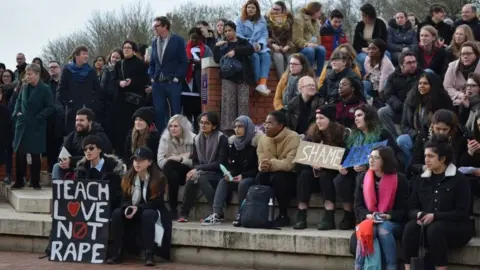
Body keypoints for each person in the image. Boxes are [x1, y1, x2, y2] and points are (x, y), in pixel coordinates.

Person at [402, 134, 473, 270]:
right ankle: (409, 268)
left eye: (431, 156)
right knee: (410, 228)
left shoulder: (459, 179)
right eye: (425, 156)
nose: (426, 160)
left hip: (456, 227)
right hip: (427, 226)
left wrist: (435, 216)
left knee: (436, 229)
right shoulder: (421, 179)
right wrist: (419, 215)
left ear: (443, 158)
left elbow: (462, 213)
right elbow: (410, 207)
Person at [107, 147, 171, 266]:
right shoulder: (128, 177)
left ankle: (149, 253)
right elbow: (125, 199)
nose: (137, 163)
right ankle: (117, 252)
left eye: (141, 160)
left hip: (154, 209)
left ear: (149, 162)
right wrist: (127, 208)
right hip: (134, 208)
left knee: (147, 215)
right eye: (135, 160)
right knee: (117, 214)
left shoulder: (159, 178)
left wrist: (139, 208)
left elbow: (157, 202)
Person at [353, 146, 408, 270]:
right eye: (370, 157)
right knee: (367, 228)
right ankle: (358, 267)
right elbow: (358, 206)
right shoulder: (362, 178)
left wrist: (388, 216)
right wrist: (368, 215)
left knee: (383, 229)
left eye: (376, 158)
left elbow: (404, 210)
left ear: (386, 160)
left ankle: (391, 267)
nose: (371, 161)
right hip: (369, 220)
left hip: (392, 221)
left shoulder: (400, 179)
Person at [293, 105, 347, 230]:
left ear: (330, 119)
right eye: (317, 118)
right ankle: (301, 214)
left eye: (322, 118)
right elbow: (301, 159)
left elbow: (343, 157)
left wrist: (326, 165)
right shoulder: (311, 135)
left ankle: (329, 216)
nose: (318, 121)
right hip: (312, 175)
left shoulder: (340, 135)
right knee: (304, 175)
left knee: (325, 175)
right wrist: (312, 164)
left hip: (330, 176)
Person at [201, 115, 260, 226]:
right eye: (235, 127)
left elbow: (257, 168)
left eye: (240, 126)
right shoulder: (233, 143)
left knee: (243, 183)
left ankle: (242, 213)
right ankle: (216, 214)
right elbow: (233, 166)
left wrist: (243, 175)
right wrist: (230, 174)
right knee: (224, 181)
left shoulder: (256, 143)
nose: (237, 129)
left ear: (248, 127)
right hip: (237, 176)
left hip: (252, 177)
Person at [178, 112, 229, 222]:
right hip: (203, 172)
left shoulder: (222, 139)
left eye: (207, 123)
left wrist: (198, 169)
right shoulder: (196, 139)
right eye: (201, 123)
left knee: (200, 177)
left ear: (214, 126)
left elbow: (220, 163)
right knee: (192, 179)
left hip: (218, 173)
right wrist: (197, 169)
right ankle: (183, 214)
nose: (203, 125)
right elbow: (195, 161)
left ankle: (217, 213)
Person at [397, 73, 454, 169]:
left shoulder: (442, 100)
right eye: (420, 83)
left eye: (425, 84)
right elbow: (404, 124)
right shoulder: (411, 99)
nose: (421, 86)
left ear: (433, 85)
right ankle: (410, 167)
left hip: (434, 136)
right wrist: (416, 134)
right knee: (401, 140)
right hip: (416, 135)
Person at [12, 64, 54, 189]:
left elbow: (51, 107)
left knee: (35, 154)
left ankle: (35, 182)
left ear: (37, 75)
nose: (27, 76)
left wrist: (39, 117)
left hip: (36, 126)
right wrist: (17, 113)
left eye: (29, 74)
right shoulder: (24, 87)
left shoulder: (45, 89)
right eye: (26, 73)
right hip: (22, 124)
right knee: (20, 154)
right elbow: (18, 102)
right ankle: (19, 181)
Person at [256, 110, 301, 227]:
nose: (265, 126)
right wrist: (262, 165)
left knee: (279, 177)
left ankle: (283, 215)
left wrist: (270, 164)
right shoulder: (262, 139)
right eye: (265, 123)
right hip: (270, 173)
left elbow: (289, 164)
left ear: (280, 126)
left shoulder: (293, 137)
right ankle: (260, 214)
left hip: (290, 176)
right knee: (260, 176)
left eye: (269, 123)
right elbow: (261, 158)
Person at [213, 21, 255, 132]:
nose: (227, 33)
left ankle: (243, 129)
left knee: (243, 104)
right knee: (228, 104)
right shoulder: (223, 43)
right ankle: (228, 130)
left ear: (235, 30)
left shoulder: (242, 41)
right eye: (226, 31)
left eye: (230, 30)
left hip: (243, 77)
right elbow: (217, 59)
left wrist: (235, 51)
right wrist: (216, 47)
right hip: (228, 78)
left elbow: (251, 50)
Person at [149, 16, 188, 132]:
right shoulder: (154, 42)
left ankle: (177, 137)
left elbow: (184, 61)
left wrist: (177, 77)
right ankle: (163, 136)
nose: (154, 29)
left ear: (165, 26)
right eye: (153, 27)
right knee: (159, 111)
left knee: (175, 112)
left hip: (173, 82)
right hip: (157, 83)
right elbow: (152, 62)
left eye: (156, 26)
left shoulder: (178, 40)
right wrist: (151, 76)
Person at [56, 46, 106, 134]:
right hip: (72, 111)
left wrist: (92, 102)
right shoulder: (67, 70)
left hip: (88, 110)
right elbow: (61, 89)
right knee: (72, 137)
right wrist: (70, 102)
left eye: (87, 54)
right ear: (76, 55)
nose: (86, 56)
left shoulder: (91, 71)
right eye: (84, 54)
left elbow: (98, 90)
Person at [52, 108, 112, 180]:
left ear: (90, 122)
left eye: (81, 120)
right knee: (57, 166)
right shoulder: (72, 135)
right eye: (76, 120)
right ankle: (59, 190)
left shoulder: (99, 136)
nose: (78, 123)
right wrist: (63, 161)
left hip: (89, 167)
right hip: (72, 166)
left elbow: (101, 156)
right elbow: (62, 150)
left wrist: (71, 160)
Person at [157, 114, 196, 219]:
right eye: (170, 126)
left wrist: (180, 159)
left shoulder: (194, 139)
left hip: (187, 171)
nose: (172, 129)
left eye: (176, 126)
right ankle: (173, 209)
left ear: (183, 127)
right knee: (172, 174)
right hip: (171, 172)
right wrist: (179, 157)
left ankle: (169, 208)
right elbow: (160, 161)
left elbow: (196, 162)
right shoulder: (165, 139)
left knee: (170, 164)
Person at [74, 135, 125, 213]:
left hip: (109, 208)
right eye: (85, 149)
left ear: (99, 149)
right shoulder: (81, 169)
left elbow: (116, 195)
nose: (88, 151)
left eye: (91, 148)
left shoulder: (114, 168)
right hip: (87, 209)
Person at [379, 51, 423, 137]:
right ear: (401, 65)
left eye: (414, 62)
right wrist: (399, 106)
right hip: (400, 107)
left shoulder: (422, 75)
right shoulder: (393, 76)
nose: (413, 65)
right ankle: (394, 138)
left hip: (417, 108)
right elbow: (388, 95)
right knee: (382, 112)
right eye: (409, 63)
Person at [235, 0, 272, 96]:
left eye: (253, 8)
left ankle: (262, 83)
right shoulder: (239, 20)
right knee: (255, 57)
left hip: (259, 46)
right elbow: (238, 35)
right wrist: (251, 45)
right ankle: (257, 83)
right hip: (246, 46)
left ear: (257, 10)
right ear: (245, 9)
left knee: (266, 55)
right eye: (249, 7)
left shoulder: (262, 21)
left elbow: (264, 35)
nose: (250, 9)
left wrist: (259, 44)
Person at [292, 1, 326, 77]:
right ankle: (308, 75)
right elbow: (296, 38)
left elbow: (317, 38)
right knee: (309, 50)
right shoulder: (299, 19)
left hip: (313, 47)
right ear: (314, 11)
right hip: (300, 48)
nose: (320, 14)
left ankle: (318, 76)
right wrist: (306, 44)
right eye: (319, 12)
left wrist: (316, 45)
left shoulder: (316, 21)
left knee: (322, 49)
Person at [353, 3, 388, 75]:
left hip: (379, 49)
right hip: (363, 51)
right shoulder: (359, 25)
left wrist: (373, 49)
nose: (362, 17)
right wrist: (362, 49)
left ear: (369, 15)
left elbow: (384, 41)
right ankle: (367, 77)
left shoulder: (380, 24)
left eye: (364, 15)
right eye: (362, 15)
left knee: (387, 56)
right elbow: (355, 44)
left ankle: (383, 76)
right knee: (364, 59)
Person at [444, 41, 480, 106]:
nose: (465, 56)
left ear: (476, 55)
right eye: (463, 54)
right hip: (456, 102)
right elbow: (447, 87)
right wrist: (460, 95)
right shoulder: (453, 66)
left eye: (469, 54)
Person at [266, 1, 295, 79]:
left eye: (277, 9)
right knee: (279, 57)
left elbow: (292, 36)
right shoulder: (266, 19)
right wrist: (272, 44)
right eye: (273, 9)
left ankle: (291, 81)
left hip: (286, 46)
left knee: (292, 58)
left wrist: (288, 46)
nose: (274, 11)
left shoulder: (289, 20)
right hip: (272, 47)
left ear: (283, 10)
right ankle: (282, 82)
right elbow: (265, 36)